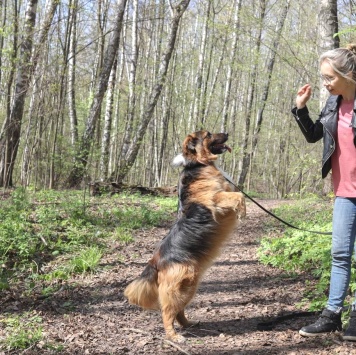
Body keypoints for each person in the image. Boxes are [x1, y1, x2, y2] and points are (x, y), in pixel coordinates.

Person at [291, 43, 356, 341]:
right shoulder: (333, 103)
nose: (325, 83)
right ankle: (331, 315)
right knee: (340, 253)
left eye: (329, 77)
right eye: (322, 78)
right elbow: (315, 135)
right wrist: (300, 109)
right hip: (344, 190)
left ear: (349, 74)